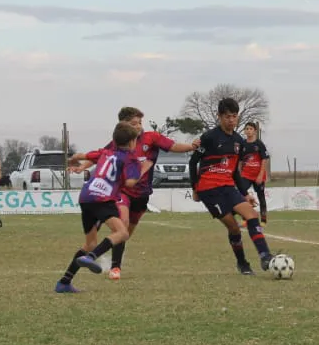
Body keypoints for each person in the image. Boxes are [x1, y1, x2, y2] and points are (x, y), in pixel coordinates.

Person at [74, 106, 199, 279]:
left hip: (142, 194)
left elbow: (173, 146)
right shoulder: (120, 141)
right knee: (122, 223)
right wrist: (82, 166)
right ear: (124, 125)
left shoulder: (151, 138)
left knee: (126, 233)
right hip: (124, 191)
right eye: (134, 124)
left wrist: (191, 146)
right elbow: (100, 155)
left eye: (140, 123)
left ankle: (109, 259)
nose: (139, 126)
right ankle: (114, 268)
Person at [55, 122, 143, 293]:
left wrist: (73, 159)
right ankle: (91, 257)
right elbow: (130, 183)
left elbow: (83, 155)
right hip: (102, 198)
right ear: (133, 142)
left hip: (86, 196)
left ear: (114, 140)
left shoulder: (105, 152)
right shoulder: (130, 158)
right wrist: (139, 173)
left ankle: (64, 282)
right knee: (122, 233)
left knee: (90, 243)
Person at [189, 98, 273, 275]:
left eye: (234, 116)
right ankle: (242, 263)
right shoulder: (209, 137)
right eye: (227, 116)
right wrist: (195, 189)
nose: (231, 120)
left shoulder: (238, 141)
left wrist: (245, 193)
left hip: (228, 186)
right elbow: (193, 162)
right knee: (234, 227)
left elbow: (235, 170)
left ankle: (265, 256)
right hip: (209, 189)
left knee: (252, 215)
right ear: (219, 116)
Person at [237, 121, 271, 224]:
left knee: (261, 197)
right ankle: (245, 218)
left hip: (258, 175)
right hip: (246, 174)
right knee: (242, 195)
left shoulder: (259, 144)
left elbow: (264, 159)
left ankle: (263, 220)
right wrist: (239, 173)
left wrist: (261, 175)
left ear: (255, 131)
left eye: (250, 129)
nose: (248, 131)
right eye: (246, 129)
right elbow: (240, 160)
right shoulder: (242, 144)